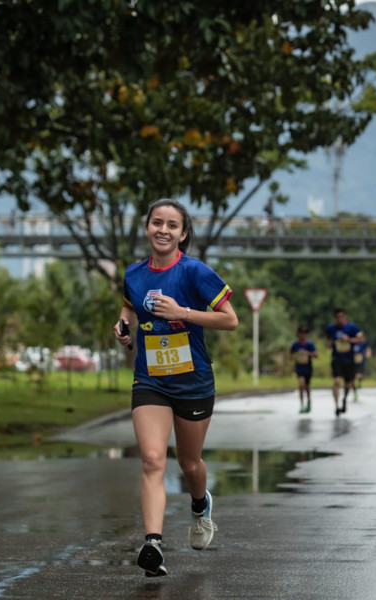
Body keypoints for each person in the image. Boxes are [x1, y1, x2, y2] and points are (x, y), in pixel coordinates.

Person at [114, 198, 238, 578]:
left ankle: (200, 506)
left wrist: (182, 313)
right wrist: (122, 324)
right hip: (150, 378)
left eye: (172, 225)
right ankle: (153, 543)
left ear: (183, 234)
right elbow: (130, 306)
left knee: (189, 464)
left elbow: (229, 320)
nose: (163, 230)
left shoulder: (195, 272)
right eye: (157, 223)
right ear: (147, 227)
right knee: (152, 459)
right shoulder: (134, 273)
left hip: (193, 380)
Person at [324, 308, 364, 417]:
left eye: (342, 316)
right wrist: (329, 343)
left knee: (348, 384)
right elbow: (327, 340)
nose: (340, 319)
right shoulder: (331, 328)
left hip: (349, 359)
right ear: (335, 318)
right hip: (337, 359)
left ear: (345, 316)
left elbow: (361, 339)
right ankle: (336, 406)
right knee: (336, 381)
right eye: (337, 317)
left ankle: (345, 399)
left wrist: (349, 340)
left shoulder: (352, 327)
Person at [290, 325, 317, 413]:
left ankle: (308, 400)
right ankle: (302, 404)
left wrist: (307, 353)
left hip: (308, 368)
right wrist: (296, 355)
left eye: (305, 333)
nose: (303, 335)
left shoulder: (309, 344)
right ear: (298, 334)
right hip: (299, 367)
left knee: (307, 386)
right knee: (301, 385)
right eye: (301, 333)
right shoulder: (295, 345)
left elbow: (316, 355)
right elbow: (290, 356)